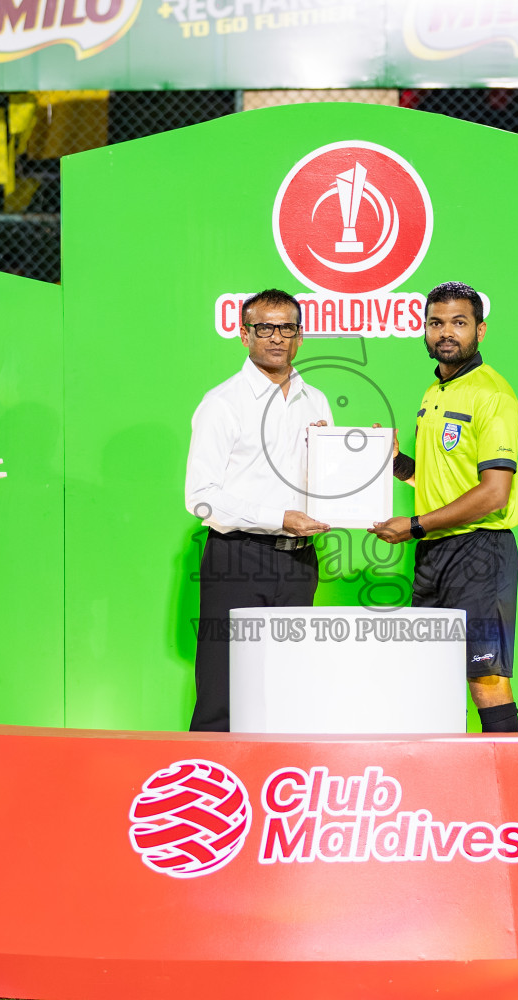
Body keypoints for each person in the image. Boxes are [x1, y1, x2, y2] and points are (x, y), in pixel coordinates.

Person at [370, 281, 518, 733]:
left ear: (481, 330)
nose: (446, 332)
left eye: (459, 322)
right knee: (432, 673)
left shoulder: (492, 394)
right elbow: (440, 480)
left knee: (486, 676)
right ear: (425, 330)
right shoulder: (433, 393)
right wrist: (396, 463)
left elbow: (494, 492)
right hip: (433, 554)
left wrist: (414, 526)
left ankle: (508, 785)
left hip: (480, 553)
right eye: (437, 323)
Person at [185, 288, 332, 731]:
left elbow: (328, 478)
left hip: (300, 560)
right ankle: (205, 788)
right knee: (223, 690)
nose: (275, 337)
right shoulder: (222, 403)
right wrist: (278, 516)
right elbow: (201, 496)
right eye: (264, 327)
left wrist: (369, 459)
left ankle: (280, 789)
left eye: (286, 327)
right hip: (238, 557)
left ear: (299, 337)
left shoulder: (317, 401)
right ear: (243, 334)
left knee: (287, 688)